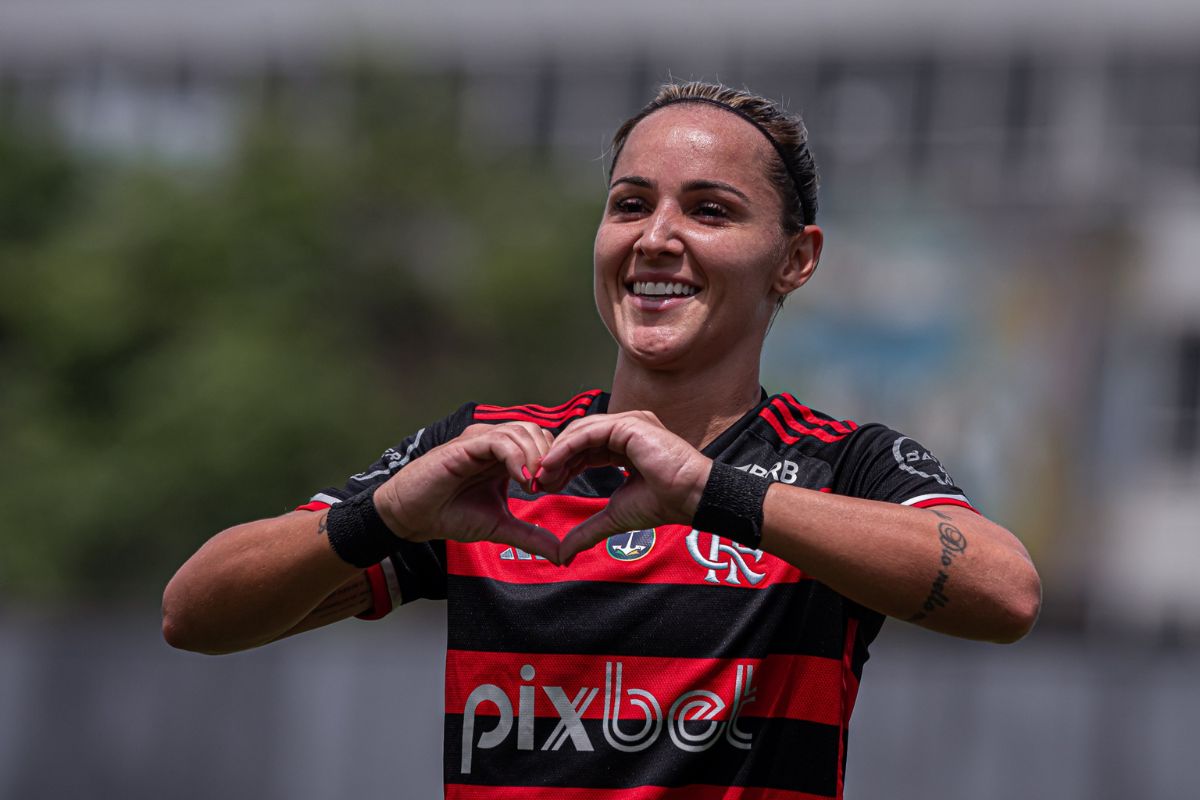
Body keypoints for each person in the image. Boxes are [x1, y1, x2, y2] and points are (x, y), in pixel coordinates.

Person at [163, 81, 1041, 799]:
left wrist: (708, 492)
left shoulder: (837, 465)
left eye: (710, 210)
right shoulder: (492, 454)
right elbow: (192, 616)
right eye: (630, 204)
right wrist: (385, 515)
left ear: (795, 258)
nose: (657, 238)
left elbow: (1005, 593)